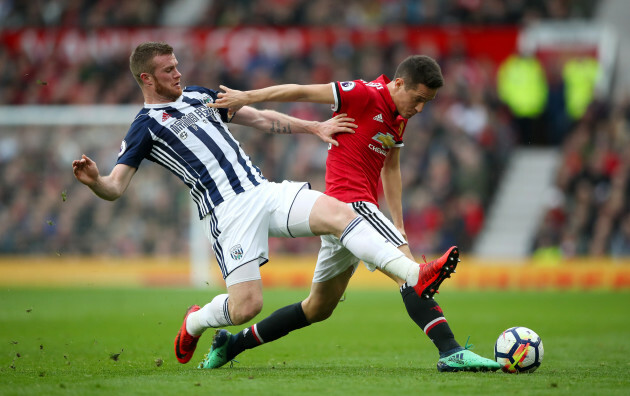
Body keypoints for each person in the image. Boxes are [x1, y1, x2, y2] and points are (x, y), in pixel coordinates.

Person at [71, 42, 456, 366]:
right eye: (168, 70)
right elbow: (116, 186)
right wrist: (95, 182)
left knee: (342, 212)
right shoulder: (145, 126)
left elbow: (262, 119)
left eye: (177, 66)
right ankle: (195, 322)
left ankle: (413, 274)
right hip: (227, 213)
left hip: (263, 191)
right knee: (246, 308)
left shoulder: (202, 96)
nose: (178, 74)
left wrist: (315, 127)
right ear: (147, 79)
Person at [200, 55, 500, 372]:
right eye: (418, 99)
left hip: (341, 217)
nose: (420, 108)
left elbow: (392, 168)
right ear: (399, 84)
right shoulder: (363, 94)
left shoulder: (399, 114)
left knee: (318, 307)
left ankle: (233, 344)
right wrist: (247, 96)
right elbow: (301, 91)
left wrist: (398, 225)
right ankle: (451, 351)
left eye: (427, 102)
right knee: (412, 275)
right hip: (351, 205)